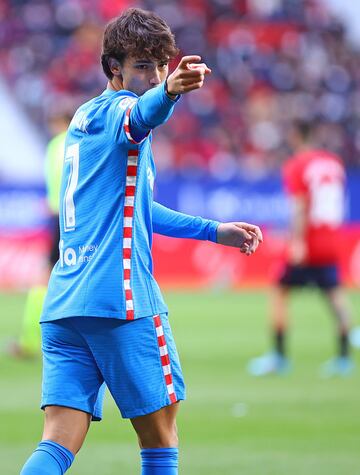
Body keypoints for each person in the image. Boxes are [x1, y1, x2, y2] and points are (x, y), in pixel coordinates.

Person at [20, 8, 262, 475]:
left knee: (57, 442)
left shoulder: (81, 120)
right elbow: (141, 116)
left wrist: (214, 231)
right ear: (114, 68)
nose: (154, 75)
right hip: (120, 301)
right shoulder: (121, 113)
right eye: (142, 66)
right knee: (160, 436)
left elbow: (139, 209)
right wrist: (169, 92)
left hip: (65, 305)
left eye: (160, 65)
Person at [248, 120, 354, 378]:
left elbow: (299, 206)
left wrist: (296, 241)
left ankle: (279, 357)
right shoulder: (333, 162)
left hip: (309, 240)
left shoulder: (297, 165)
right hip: (332, 237)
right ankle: (344, 358)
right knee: (335, 296)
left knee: (279, 291)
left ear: (295, 136)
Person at [9, 113, 69, 358]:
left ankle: (29, 341)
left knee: (45, 278)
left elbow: (53, 183)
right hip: (76, 217)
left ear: (58, 122)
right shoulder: (81, 140)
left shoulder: (56, 145)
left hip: (58, 216)